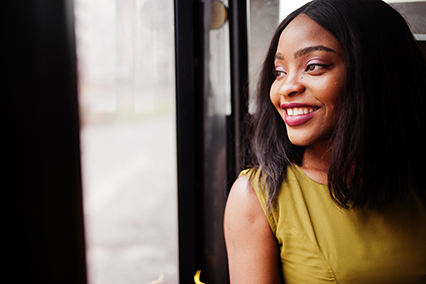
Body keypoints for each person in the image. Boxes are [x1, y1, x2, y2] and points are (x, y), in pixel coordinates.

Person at [224, 0, 426, 283]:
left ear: (376, 74)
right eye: (279, 72)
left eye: (314, 66)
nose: (287, 86)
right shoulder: (258, 197)